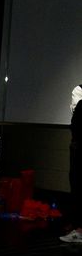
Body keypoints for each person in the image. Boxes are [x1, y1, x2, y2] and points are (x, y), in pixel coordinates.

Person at [59, 83, 82, 243]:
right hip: (79, 143)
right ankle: (77, 225)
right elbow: (77, 113)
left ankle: (79, 227)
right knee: (77, 183)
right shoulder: (79, 90)